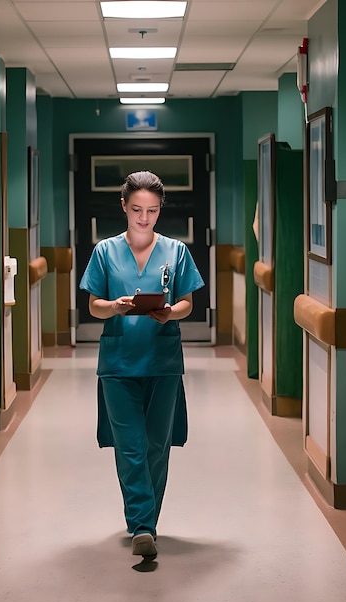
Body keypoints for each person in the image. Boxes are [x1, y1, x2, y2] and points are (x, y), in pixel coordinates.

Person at [79, 170, 204, 560]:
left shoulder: (176, 251)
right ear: (124, 207)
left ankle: (145, 519)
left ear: (159, 209)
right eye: (136, 209)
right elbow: (93, 305)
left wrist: (171, 315)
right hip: (118, 364)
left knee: (156, 445)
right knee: (130, 446)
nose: (144, 218)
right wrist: (114, 307)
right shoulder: (104, 252)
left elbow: (187, 301)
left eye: (151, 210)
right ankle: (142, 526)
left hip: (163, 360)